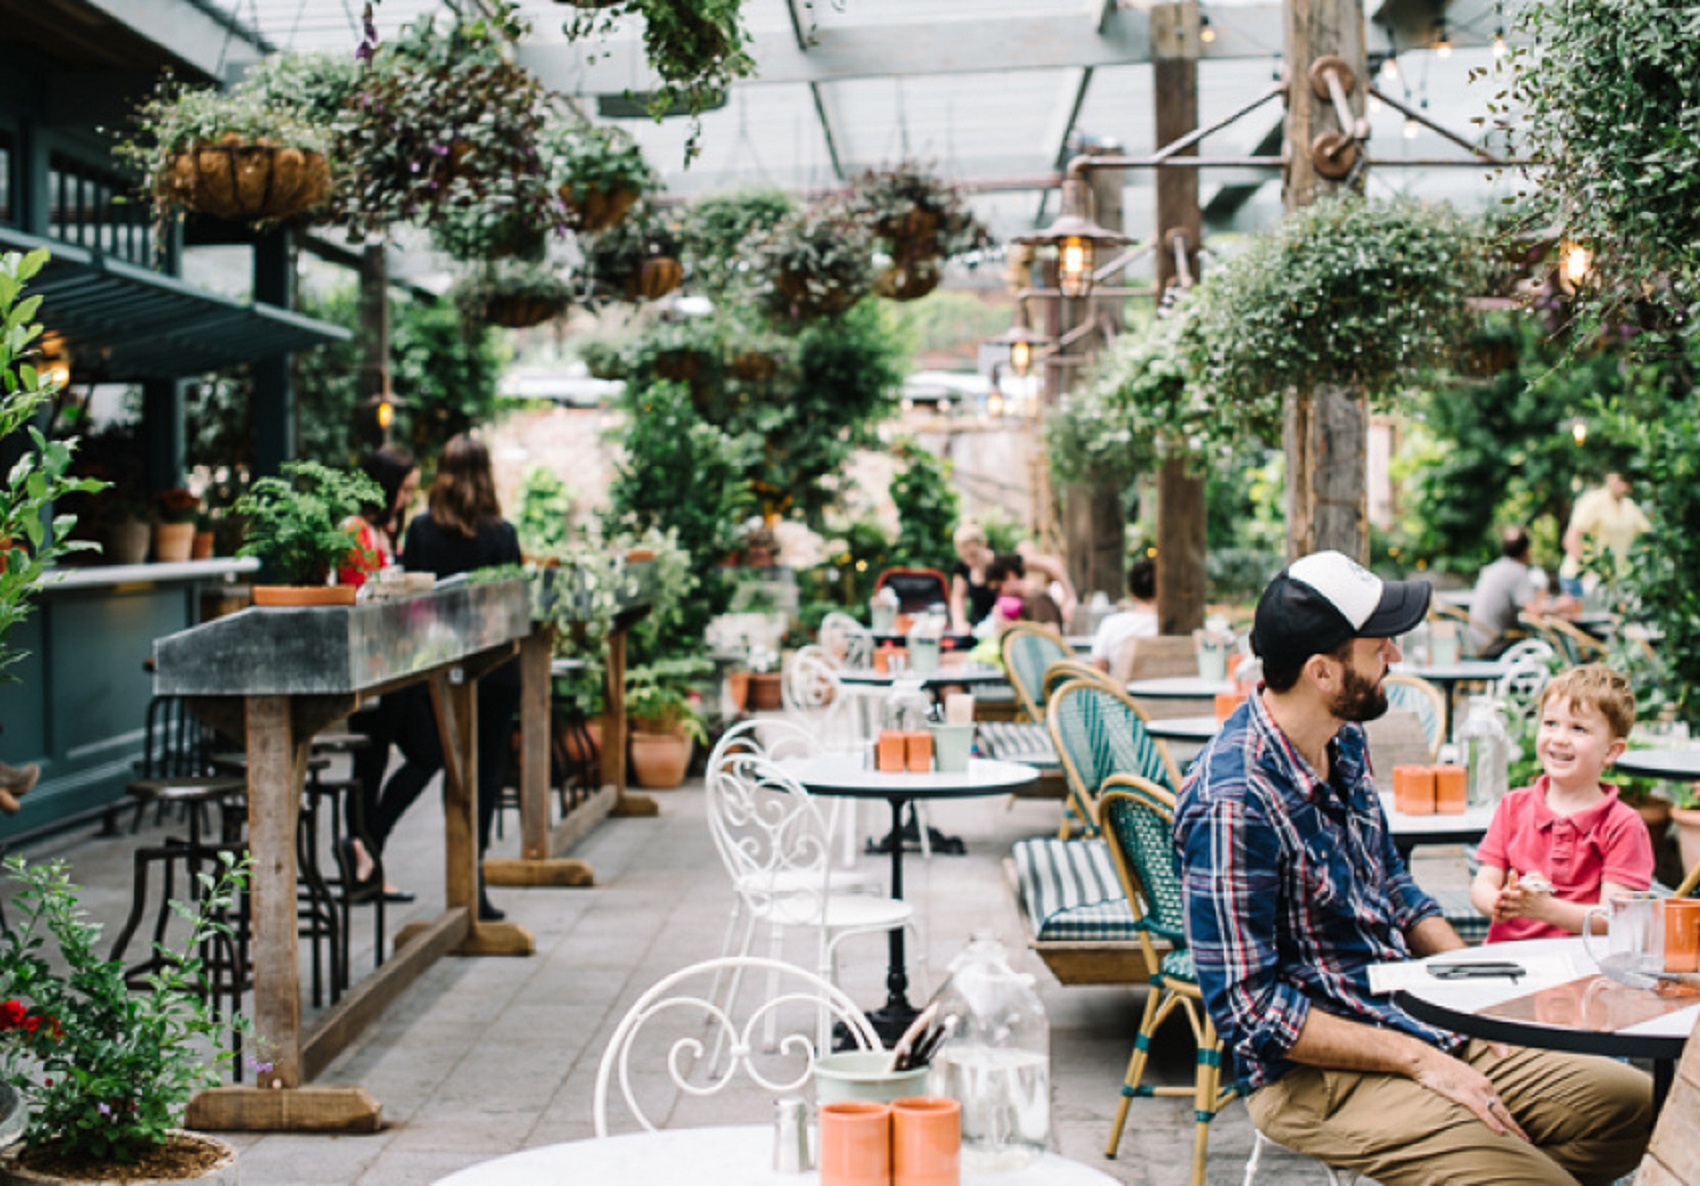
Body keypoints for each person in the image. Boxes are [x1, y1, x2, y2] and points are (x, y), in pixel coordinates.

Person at [1174, 550, 1651, 1185]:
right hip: (1314, 1073)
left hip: (1411, 1011)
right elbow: (1249, 1010)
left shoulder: (1341, 739)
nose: (1394, 657)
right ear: (1321, 671)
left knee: (1639, 1108)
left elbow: (1395, 888)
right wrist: (1418, 1060)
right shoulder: (1233, 800)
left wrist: (1477, 993)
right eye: (1378, 647)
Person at [370, 434, 522, 922]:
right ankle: (470, 880)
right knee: (485, 774)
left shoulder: (419, 532)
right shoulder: (502, 535)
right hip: (494, 671)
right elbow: (513, 610)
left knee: (440, 764)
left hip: (435, 670)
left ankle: (371, 841)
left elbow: (410, 605)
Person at [1469, 664, 1653, 942]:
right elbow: (1483, 882)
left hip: (1581, 966)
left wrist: (1545, 910)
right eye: (1550, 723)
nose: (1559, 739)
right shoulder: (1513, 806)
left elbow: (1614, 919)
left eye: (1578, 729)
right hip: (1508, 960)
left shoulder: (1622, 824)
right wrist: (1497, 902)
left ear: (1611, 751)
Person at [337, 446, 421, 902]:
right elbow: (358, 594)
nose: (408, 499)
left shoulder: (384, 532)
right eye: (404, 489)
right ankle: (364, 857)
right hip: (371, 661)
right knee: (370, 763)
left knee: (415, 754)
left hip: (396, 661)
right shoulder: (355, 532)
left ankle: (365, 849)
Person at [1467, 526, 1577, 657]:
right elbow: (1534, 613)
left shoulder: (1494, 568)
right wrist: (1559, 607)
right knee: (1544, 650)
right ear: (1527, 551)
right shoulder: (1517, 572)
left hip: (1475, 641)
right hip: (1496, 643)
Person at [949, 522, 1075, 633]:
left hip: (1013, 625)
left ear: (983, 544)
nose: (970, 561)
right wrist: (959, 623)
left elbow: (1052, 564)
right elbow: (957, 597)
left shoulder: (1004, 562)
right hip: (983, 629)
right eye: (964, 557)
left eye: (973, 555)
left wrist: (1070, 598)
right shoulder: (962, 570)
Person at [1559, 472, 1649, 598]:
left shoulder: (1630, 506)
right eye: (1619, 479)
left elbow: (1648, 537)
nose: (1621, 484)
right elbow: (1570, 539)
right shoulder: (1593, 501)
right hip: (1580, 579)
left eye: (1625, 480)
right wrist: (1587, 572)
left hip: (1610, 583)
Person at [1089, 557, 1157, 673]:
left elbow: (1098, 670)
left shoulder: (1111, 624)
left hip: (1120, 690)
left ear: (1132, 593)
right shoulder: (1175, 627)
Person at [983, 552, 1062, 628]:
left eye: (997, 588)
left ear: (1011, 575)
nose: (999, 595)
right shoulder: (1022, 601)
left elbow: (1052, 632)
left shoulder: (1037, 597)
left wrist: (1008, 625)